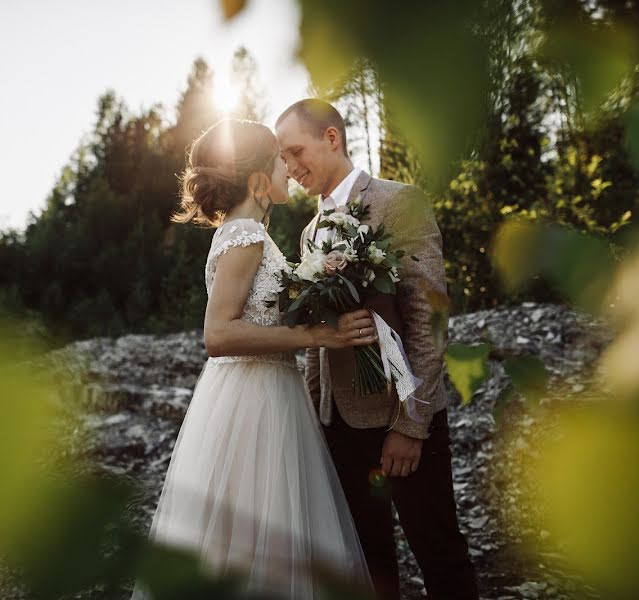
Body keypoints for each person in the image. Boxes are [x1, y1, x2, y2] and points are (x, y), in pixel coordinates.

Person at [130, 118, 373, 599]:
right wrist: (320, 335)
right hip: (253, 399)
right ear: (259, 179)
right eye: (280, 162)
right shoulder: (245, 236)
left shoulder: (251, 234)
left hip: (271, 390)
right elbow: (217, 333)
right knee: (256, 530)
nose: (289, 169)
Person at [276, 99, 480, 599]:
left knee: (439, 554)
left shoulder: (398, 202)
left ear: (331, 138)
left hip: (398, 420)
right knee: (368, 563)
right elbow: (317, 341)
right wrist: (318, 417)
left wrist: (412, 425)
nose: (290, 167)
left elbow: (427, 319)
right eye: (282, 158)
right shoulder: (309, 233)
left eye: (295, 151)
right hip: (340, 428)